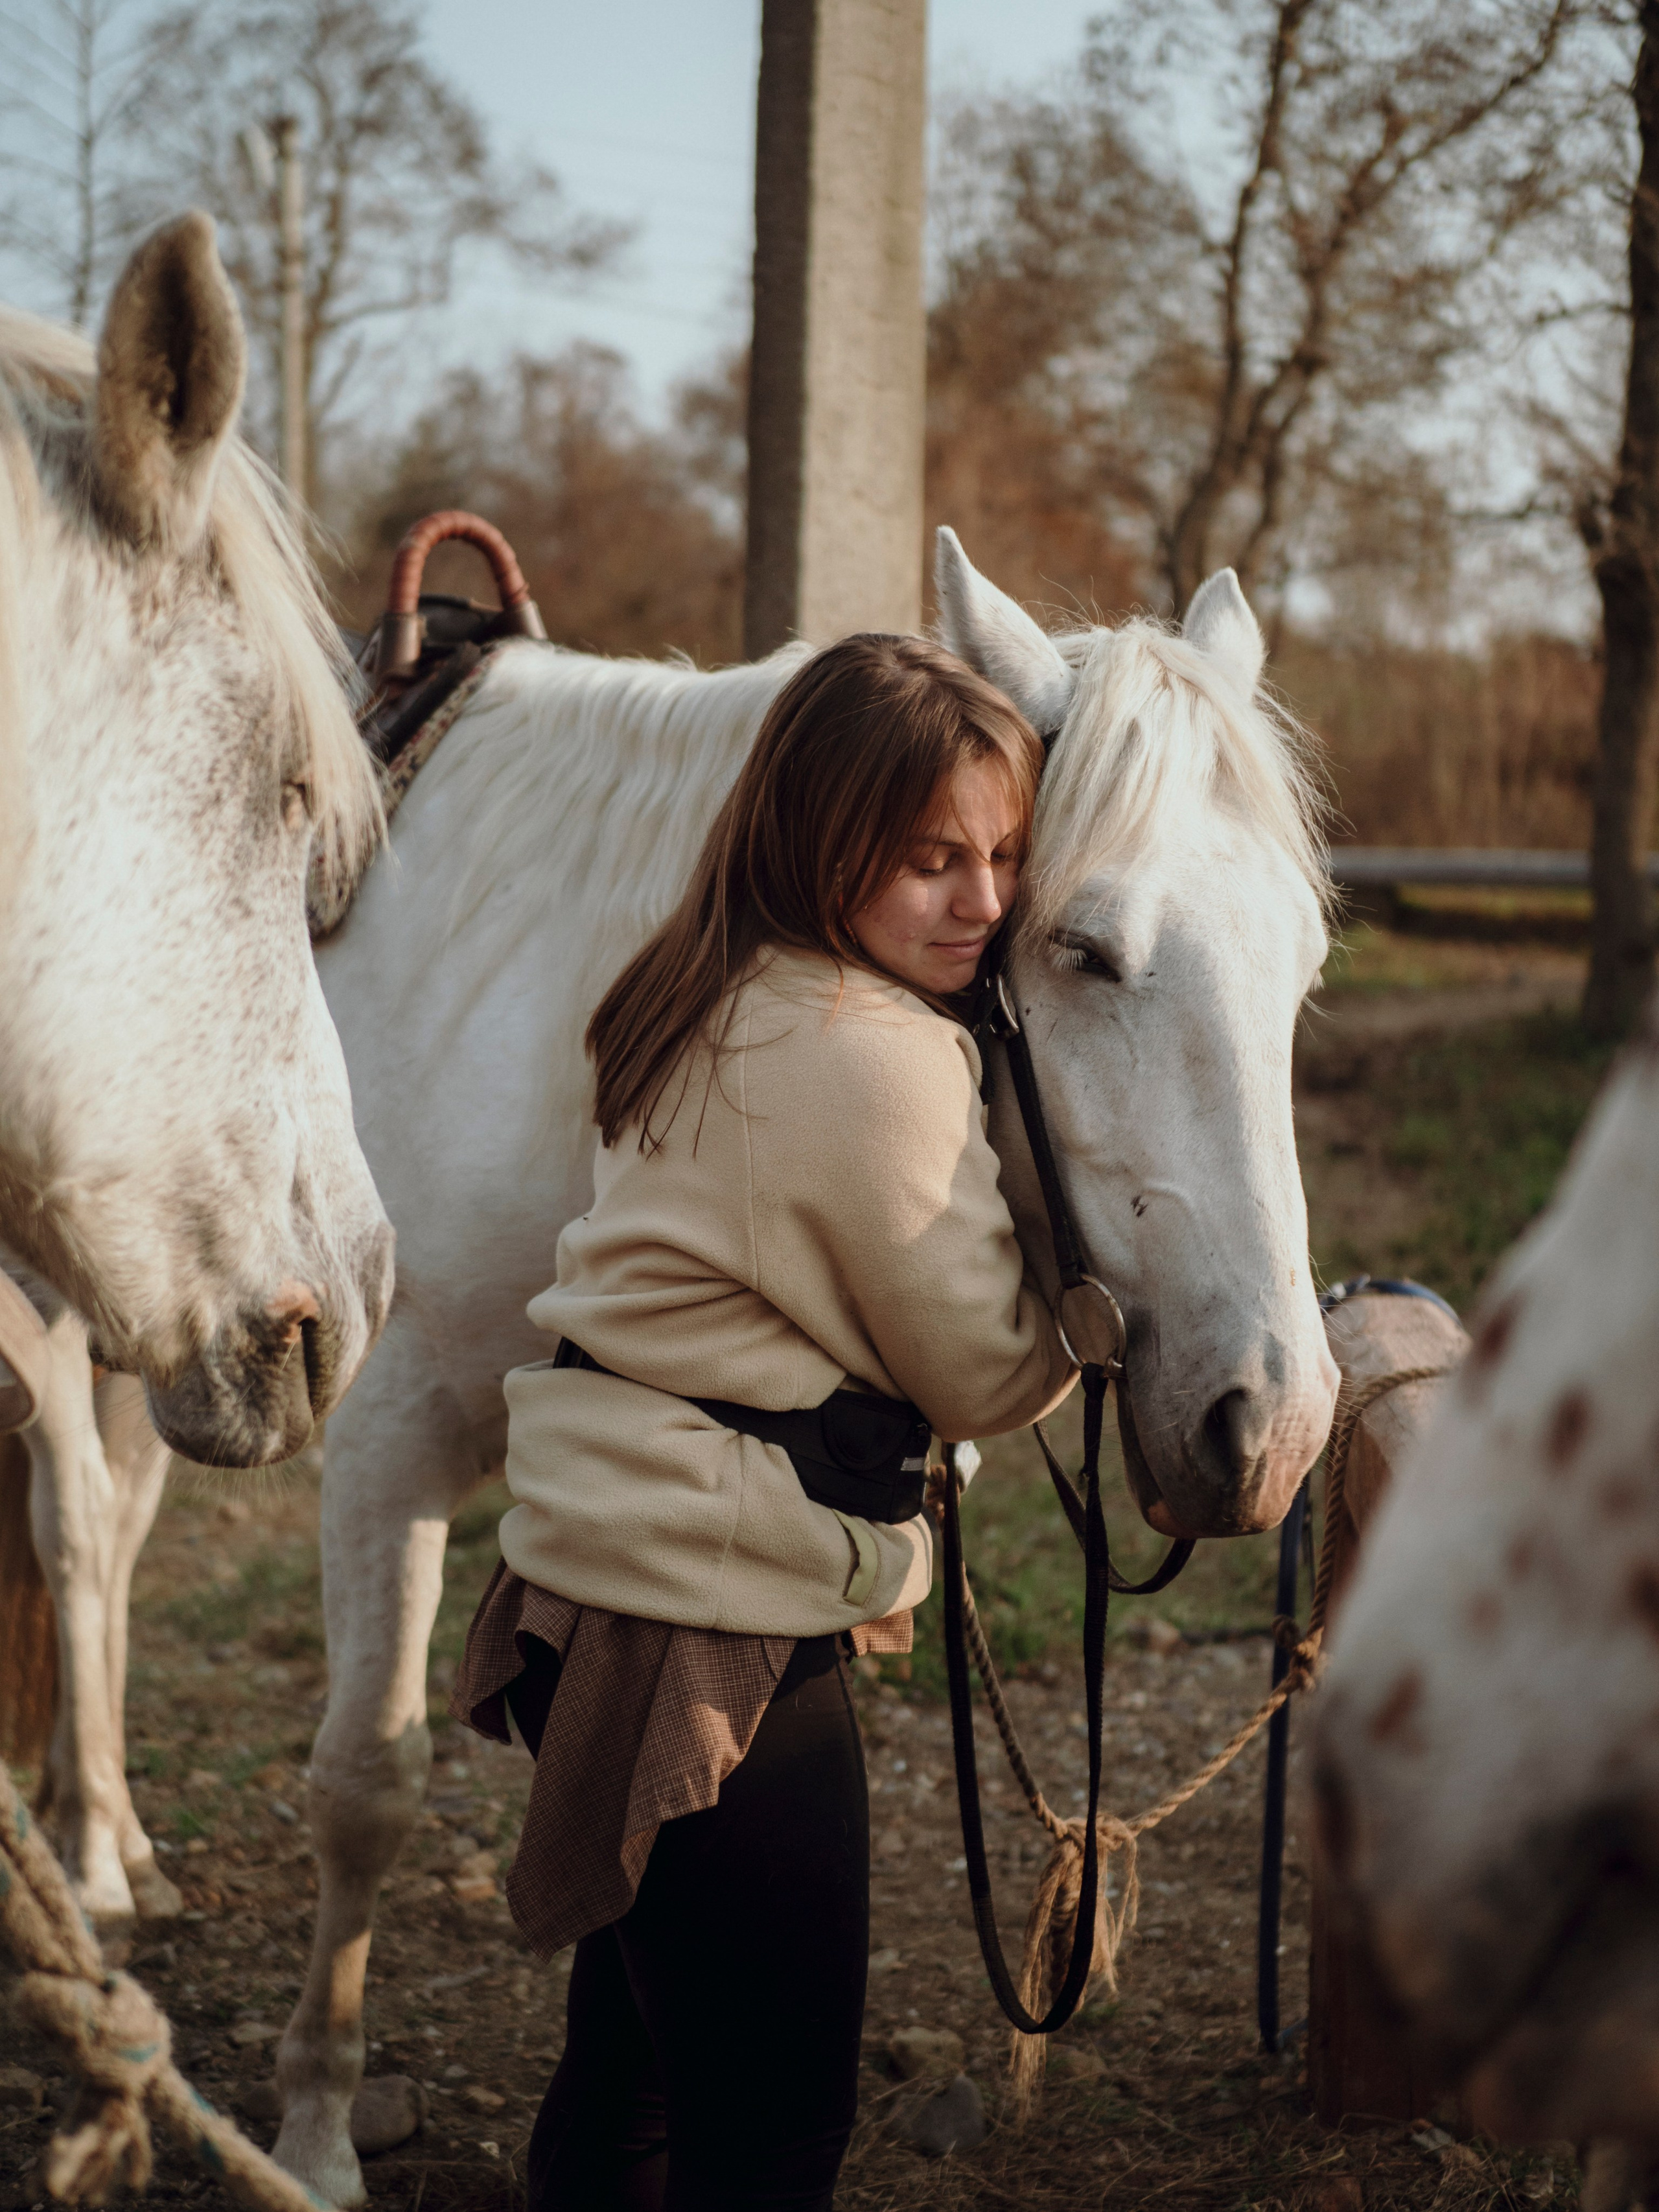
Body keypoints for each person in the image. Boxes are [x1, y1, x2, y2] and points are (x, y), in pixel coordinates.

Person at [454, 632, 1077, 2211]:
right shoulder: (864, 1056)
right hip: (701, 1616)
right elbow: (988, 1376)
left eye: (1002, 855)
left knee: (641, 2068)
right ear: (819, 835)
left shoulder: (704, 977)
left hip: (603, 1577)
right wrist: (1097, 1291)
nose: (983, 902)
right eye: (932, 857)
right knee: (772, 2131)